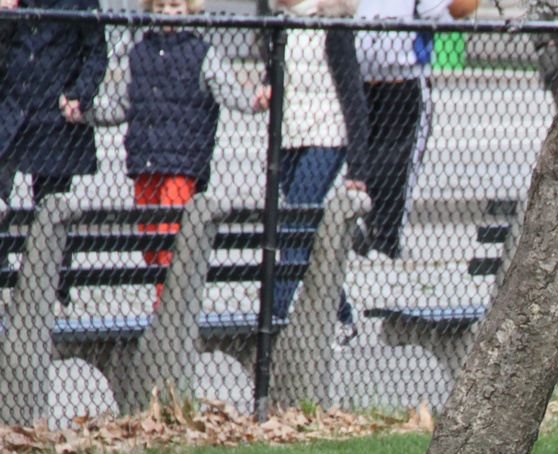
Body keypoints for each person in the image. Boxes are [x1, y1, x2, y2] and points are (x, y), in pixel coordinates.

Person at [85, 0, 271, 304]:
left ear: (188, 10)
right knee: (147, 234)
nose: (169, 12)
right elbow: (121, 105)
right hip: (145, 158)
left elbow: (229, 92)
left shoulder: (203, 52)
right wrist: (86, 112)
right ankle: (167, 294)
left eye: (176, 6)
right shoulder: (139, 53)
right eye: (162, 6)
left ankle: (166, 310)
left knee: (169, 233)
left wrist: (254, 102)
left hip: (184, 160)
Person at [268, 0, 372, 327]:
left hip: (327, 137)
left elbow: (355, 100)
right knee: (307, 232)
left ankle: (273, 318)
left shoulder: (333, 27)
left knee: (295, 225)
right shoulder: (280, 25)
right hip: (289, 139)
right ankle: (343, 317)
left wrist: (357, 168)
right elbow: (274, 78)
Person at [351, 0, 474, 259]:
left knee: (371, 151)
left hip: (363, 70)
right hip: (404, 72)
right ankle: (385, 238)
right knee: (400, 159)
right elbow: (434, 11)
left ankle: (366, 224)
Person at [0, 0, 107, 208]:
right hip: (10, 105)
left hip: (54, 114)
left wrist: (80, 95)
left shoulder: (81, 4)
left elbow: (96, 52)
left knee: (49, 205)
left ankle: (46, 238)